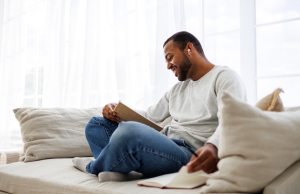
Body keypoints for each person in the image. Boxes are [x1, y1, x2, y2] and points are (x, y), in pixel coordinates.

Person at [72, 31, 246, 181]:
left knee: (129, 132)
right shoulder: (177, 90)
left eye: (170, 57)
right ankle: (114, 169)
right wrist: (115, 112)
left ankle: (94, 167)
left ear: (189, 49)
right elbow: (148, 117)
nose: (168, 65)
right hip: (164, 144)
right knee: (97, 124)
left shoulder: (224, 77)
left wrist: (213, 146)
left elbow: (233, 118)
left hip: (189, 153)